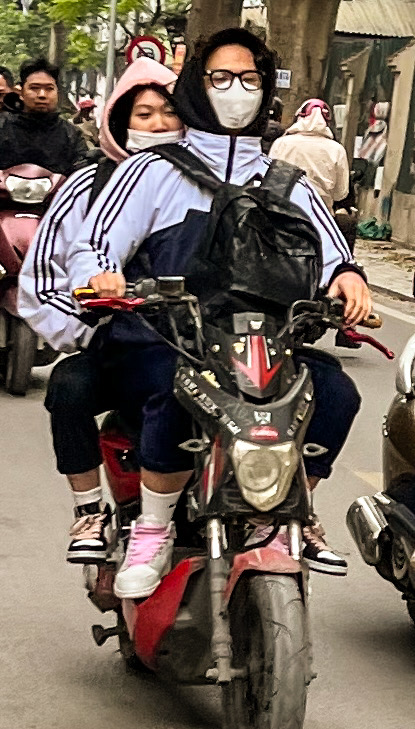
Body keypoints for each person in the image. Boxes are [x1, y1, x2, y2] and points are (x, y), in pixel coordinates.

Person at [45, 29, 370, 593]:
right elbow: (93, 245)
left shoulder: (286, 183)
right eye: (221, 78)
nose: (236, 90)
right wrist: (99, 274)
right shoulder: (152, 171)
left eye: (249, 78)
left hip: (261, 350)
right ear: (198, 86)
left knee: (338, 394)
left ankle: (290, 513)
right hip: (166, 338)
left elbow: (333, 255)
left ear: (266, 89)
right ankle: (152, 527)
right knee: (181, 386)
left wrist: (346, 278)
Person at [18, 57, 184, 558]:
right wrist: (93, 327)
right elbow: (41, 279)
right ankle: (90, 511)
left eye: (169, 113)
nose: (158, 125)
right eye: (144, 115)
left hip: (199, 348)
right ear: (119, 121)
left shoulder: (207, 182)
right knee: (69, 388)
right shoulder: (87, 184)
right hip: (115, 344)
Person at [0, 57, 88, 176]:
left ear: (57, 92)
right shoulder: (3, 127)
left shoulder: (71, 135)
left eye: (49, 89)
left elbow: (81, 172)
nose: (42, 95)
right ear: (20, 92)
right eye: (34, 88)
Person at [269, 98, 349, 213]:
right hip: (319, 214)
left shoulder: (281, 143)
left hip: (281, 211)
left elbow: (270, 179)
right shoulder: (337, 150)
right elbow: (340, 193)